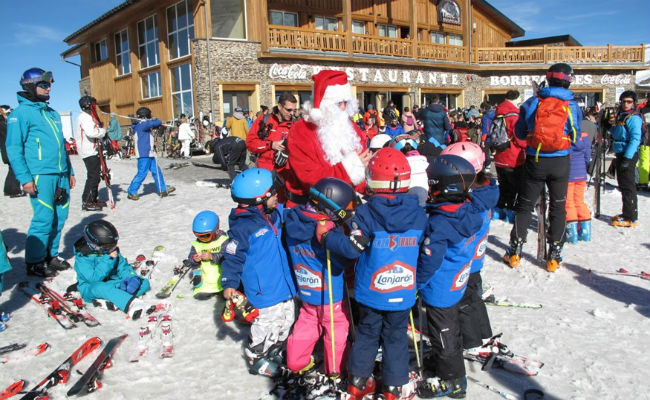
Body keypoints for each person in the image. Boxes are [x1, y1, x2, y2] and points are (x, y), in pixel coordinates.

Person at [318, 148, 426, 400]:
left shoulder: (365, 213)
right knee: (396, 337)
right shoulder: (420, 213)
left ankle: (357, 381)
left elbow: (351, 249)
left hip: (372, 290)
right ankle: (392, 387)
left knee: (367, 333)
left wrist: (328, 235)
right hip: (402, 288)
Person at [504, 63, 581, 272]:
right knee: (558, 206)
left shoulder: (532, 102)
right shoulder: (571, 104)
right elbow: (574, 136)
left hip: (535, 160)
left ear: (548, 79)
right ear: (568, 80)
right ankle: (554, 255)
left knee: (525, 205)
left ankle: (515, 251)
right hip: (560, 162)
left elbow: (519, 133)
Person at [416, 155, 481, 399]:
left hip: (440, 289)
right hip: (456, 281)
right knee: (450, 328)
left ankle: (453, 380)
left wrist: (416, 283)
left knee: (443, 333)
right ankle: (446, 363)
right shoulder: (466, 211)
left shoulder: (441, 224)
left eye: (432, 186)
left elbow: (430, 261)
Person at [220, 168, 297, 377]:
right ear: (258, 199)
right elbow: (232, 256)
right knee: (267, 323)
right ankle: (257, 355)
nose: (276, 196)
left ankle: (274, 350)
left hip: (284, 284)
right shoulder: (243, 228)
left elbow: (292, 215)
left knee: (287, 319)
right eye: (272, 194)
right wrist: (229, 283)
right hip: (264, 290)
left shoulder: (275, 212)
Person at [6, 68, 75, 277]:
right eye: (44, 85)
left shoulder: (51, 113)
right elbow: (13, 149)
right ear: (30, 86)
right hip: (40, 175)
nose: (48, 88)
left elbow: (61, 146)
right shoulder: (20, 114)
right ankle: (35, 261)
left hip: (60, 173)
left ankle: (50, 255)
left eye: (49, 84)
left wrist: (69, 170)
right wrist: (25, 178)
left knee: (60, 216)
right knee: (44, 218)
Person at [285, 177, 356, 379]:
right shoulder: (324, 230)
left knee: (307, 322)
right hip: (330, 294)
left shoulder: (293, 220)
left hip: (307, 290)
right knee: (336, 327)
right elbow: (342, 260)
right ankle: (336, 368)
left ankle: (296, 361)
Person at [440, 143, 498, 353]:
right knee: (473, 295)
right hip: (474, 259)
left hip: (466, 259)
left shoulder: (472, 202)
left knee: (464, 300)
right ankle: (483, 332)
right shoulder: (485, 192)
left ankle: (472, 341)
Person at [285, 70, 371, 206]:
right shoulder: (301, 131)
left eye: (346, 102)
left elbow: (362, 168)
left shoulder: (351, 128)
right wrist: (351, 168)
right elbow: (310, 178)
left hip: (347, 206)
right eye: (338, 103)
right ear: (324, 104)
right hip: (311, 209)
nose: (343, 108)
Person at [73, 220, 152, 319]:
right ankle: (131, 304)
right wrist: (109, 259)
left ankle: (115, 299)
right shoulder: (83, 258)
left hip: (113, 282)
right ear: (95, 245)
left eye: (114, 245)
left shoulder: (109, 250)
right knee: (101, 288)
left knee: (144, 283)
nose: (113, 249)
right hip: (91, 288)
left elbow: (123, 267)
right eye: (109, 247)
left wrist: (132, 278)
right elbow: (94, 279)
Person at [126, 107, 175, 200]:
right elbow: (156, 122)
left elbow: (153, 126)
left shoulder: (142, 125)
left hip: (150, 153)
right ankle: (132, 191)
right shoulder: (141, 125)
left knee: (157, 171)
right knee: (142, 173)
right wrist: (156, 120)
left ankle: (162, 189)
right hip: (144, 154)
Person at [610, 90, 643, 227]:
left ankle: (631, 216)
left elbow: (635, 139)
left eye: (629, 102)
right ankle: (626, 212)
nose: (625, 104)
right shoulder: (621, 116)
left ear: (634, 103)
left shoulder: (633, 118)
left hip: (628, 154)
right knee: (623, 185)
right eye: (623, 101)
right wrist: (609, 126)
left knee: (628, 186)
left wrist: (628, 158)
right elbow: (617, 133)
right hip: (620, 152)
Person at [492, 90, 525, 222]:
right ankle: (510, 213)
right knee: (514, 187)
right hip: (513, 156)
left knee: (503, 184)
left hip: (499, 155)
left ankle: (498, 211)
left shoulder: (498, 113)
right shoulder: (514, 115)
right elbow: (519, 137)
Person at [246, 92, 296, 172]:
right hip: (264, 172)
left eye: (294, 110)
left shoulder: (295, 125)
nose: (292, 113)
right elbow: (250, 143)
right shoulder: (263, 120)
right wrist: (270, 145)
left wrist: (287, 152)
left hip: (285, 174)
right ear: (279, 106)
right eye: (288, 110)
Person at [187, 210, 228, 300]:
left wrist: (212, 256)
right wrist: (194, 259)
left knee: (226, 296)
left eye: (206, 236)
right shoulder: (196, 244)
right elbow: (190, 259)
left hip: (222, 278)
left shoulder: (223, 240)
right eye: (198, 236)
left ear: (215, 231)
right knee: (200, 297)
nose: (201, 239)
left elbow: (227, 256)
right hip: (206, 280)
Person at [76, 96, 106, 212]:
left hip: (92, 150)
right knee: (93, 176)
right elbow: (91, 132)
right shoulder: (85, 117)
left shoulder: (88, 117)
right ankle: (87, 200)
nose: (94, 107)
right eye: (93, 105)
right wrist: (102, 131)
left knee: (96, 176)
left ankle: (93, 198)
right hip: (88, 151)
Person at [565, 116, 592, 242]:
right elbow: (587, 156)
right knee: (579, 200)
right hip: (581, 174)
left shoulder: (566, 136)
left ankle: (572, 233)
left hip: (569, 174)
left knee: (569, 202)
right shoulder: (584, 136)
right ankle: (585, 231)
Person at [0, 105, 24, 197]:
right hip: (9, 150)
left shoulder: (4, 122)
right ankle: (14, 191)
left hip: (6, 151)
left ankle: (8, 190)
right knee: (15, 169)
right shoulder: (3, 123)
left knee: (12, 169)